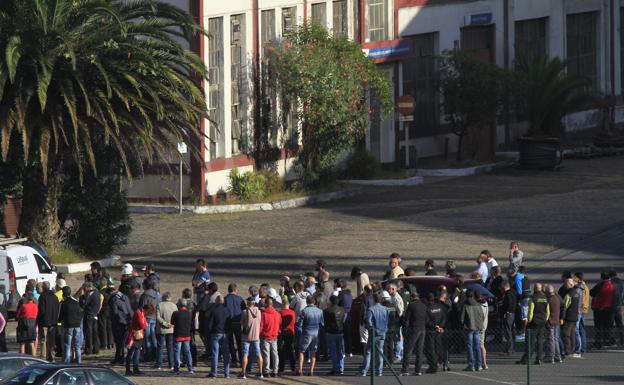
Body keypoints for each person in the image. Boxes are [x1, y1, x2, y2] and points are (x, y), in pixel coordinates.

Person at [517, 283, 549, 365]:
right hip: (542, 322)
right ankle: (539, 359)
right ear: (541, 289)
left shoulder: (532, 298)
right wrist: (545, 320)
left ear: (534, 289)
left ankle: (526, 359)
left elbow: (530, 311)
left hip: (534, 322)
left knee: (530, 341)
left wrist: (529, 321)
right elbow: (548, 311)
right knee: (540, 341)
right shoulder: (545, 298)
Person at [360, 293, 389, 377]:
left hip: (374, 333)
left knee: (368, 351)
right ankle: (379, 371)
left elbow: (368, 322)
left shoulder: (371, 309)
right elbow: (387, 321)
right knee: (380, 351)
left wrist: (371, 329)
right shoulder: (386, 309)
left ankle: (364, 370)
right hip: (382, 332)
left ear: (373, 299)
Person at [296, 295, 324, 376]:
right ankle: (311, 371)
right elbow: (322, 324)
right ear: (314, 301)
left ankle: (300, 369)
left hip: (306, 332)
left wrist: (301, 332)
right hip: (316, 332)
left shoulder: (304, 311)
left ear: (307, 302)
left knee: (302, 351)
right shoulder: (320, 311)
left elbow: (298, 324)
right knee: (313, 352)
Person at [401, 292, 427, 376]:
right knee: (419, 350)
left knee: (408, 349)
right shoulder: (424, 305)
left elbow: (407, 319)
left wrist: (405, 330)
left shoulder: (411, 305)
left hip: (414, 329)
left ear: (412, 297)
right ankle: (418, 370)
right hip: (422, 328)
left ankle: (405, 370)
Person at [207, 296, 231, 378]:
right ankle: (226, 373)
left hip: (215, 333)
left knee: (215, 353)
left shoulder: (214, 310)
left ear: (216, 301)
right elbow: (229, 322)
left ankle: (214, 373)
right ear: (223, 301)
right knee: (226, 354)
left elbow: (210, 324)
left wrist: (210, 331)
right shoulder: (227, 310)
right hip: (224, 333)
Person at [109, 284, 133, 365]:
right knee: (123, 341)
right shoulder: (124, 296)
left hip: (118, 322)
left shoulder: (113, 298)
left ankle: (119, 358)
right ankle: (120, 357)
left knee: (118, 341)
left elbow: (114, 312)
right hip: (126, 321)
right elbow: (129, 308)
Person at [461, 289, 484, 372]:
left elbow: (462, 318)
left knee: (469, 346)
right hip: (477, 327)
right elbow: (482, 316)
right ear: (473, 295)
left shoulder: (465, 304)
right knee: (477, 346)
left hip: (469, 327)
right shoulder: (478, 304)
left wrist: (463, 325)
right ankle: (479, 365)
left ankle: (471, 365)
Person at [58, 286, 83, 364]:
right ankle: (79, 361)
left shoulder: (64, 303)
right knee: (77, 345)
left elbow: (61, 315)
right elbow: (80, 312)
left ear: (63, 294)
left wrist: (59, 321)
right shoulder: (76, 302)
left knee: (67, 345)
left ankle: (66, 362)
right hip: (77, 325)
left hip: (68, 325)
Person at [590, 271, 615, 349]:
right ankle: (608, 340)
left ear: (601, 277)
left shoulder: (600, 284)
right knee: (608, 325)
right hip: (610, 307)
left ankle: (598, 342)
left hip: (599, 307)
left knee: (598, 326)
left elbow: (592, 292)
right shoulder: (613, 284)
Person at [36, 281, 60, 362]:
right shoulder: (55, 296)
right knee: (51, 340)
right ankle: (51, 356)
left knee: (43, 340)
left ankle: (43, 357)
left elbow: (41, 310)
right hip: (54, 321)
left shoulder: (42, 297)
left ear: (43, 287)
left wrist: (38, 320)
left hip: (44, 322)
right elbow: (57, 309)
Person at [240, 297, 263, 379]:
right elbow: (260, 322)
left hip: (246, 337)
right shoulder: (259, 312)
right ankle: (260, 372)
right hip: (256, 336)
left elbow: (242, 323)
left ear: (248, 303)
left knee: (245, 354)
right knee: (258, 354)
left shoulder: (244, 312)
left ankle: (243, 373)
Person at [139, 278, 161, 361]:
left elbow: (141, 308)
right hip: (155, 318)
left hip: (147, 318)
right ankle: (155, 354)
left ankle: (148, 355)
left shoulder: (145, 295)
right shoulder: (158, 294)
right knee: (154, 337)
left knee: (147, 338)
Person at [170, 298, 194, 375]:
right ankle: (190, 369)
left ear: (179, 305)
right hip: (187, 335)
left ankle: (177, 370)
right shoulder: (190, 313)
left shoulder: (176, 313)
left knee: (177, 352)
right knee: (187, 352)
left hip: (178, 335)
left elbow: (172, 323)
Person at [125, 303, 149, 376]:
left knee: (137, 352)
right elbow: (143, 325)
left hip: (138, 336)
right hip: (134, 336)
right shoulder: (139, 314)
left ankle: (136, 368)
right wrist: (145, 324)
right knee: (131, 353)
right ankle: (128, 370)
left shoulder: (142, 314)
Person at [323, 295, 345, 375]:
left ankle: (335, 368)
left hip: (331, 332)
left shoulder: (327, 311)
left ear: (331, 301)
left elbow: (325, 322)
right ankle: (341, 368)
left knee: (333, 351)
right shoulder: (342, 309)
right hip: (340, 332)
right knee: (340, 351)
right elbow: (343, 320)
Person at [260, 297, 281, 377]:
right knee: (275, 354)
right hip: (274, 336)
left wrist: (260, 334)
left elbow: (261, 327)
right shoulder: (277, 314)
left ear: (266, 304)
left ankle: (266, 371)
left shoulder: (264, 314)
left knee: (266, 354)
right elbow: (279, 324)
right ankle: (275, 370)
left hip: (266, 336)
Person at [224, 283, 244, 367]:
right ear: (236, 290)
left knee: (230, 342)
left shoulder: (225, 299)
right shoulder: (240, 299)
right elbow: (244, 311)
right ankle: (242, 358)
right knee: (240, 342)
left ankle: (234, 360)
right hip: (238, 323)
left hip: (228, 323)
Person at [156, 292, 177, 370]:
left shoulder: (159, 305)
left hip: (161, 329)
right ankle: (171, 365)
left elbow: (158, 317)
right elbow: (176, 317)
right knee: (170, 347)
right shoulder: (174, 306)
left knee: (160, 347)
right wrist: (171, 324)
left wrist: (165, 324)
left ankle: (159, 365)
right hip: (171, 329)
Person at [80, 282, 101, 355]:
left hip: (89, 314)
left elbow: (84, 304)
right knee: (95, 332)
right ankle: (96, 348)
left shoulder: (90, 294)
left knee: (88, 333)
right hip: (95, 314)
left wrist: (82, 296)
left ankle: (88, 349)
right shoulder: (97, 293)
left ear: (87, 287)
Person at [561, 278, 580, 357]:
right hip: (575, 317)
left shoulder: (568, 295)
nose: (565, 285)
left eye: (566, 284)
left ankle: (568, 351)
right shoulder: (576, 293)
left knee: (566, 334)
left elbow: (564, 307)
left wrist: (562, 318)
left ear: (570, 285)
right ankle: (572, 350)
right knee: (572, 335)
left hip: (568, 318)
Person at [544, 284, 563, 363]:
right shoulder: (557, 297)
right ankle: (558, 356)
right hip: (556, 321)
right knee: (555, 339)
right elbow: (563, 306)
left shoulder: (548, 300)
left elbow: (546, 312)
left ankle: (551, 357)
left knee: (551, 340)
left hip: (550, 322)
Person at [573, 272, 589, 357]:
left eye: (574, 277)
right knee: (581, 329)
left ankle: (580, 348)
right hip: (584, 310)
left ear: (578, 279)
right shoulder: (584, 286)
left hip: (581, 310)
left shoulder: (580, 288)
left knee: (578, 329)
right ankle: (583, 347)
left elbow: (580, 300)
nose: (573, 279)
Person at [278, 300, 296, 373]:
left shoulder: (281, 313)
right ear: (288, 305)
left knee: (282, 351)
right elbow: (294, 322)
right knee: (291, 350)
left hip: (283, 333)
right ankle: (293, 367)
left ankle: (281, 367)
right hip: (291, 333)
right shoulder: (293, 312)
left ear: (283, 305)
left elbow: (279, 323)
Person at [337, 279, 353, 357]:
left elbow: (338, 303)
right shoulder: (349, 294)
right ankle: (349, 351)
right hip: (349, 314)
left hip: (342, 314)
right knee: (348, 334)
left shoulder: (340, 294)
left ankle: (343, 351)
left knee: (341, 334)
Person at [500, 281, 516, 355]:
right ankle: (512, 348)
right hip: (513, 314)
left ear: (504, 288)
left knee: (508, 332)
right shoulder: (513, 292)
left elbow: (509, 303)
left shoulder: (507, 294)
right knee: (511, 331)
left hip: (509, 315)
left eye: (501, 289)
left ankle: (509, 350)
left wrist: (507, 312)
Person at [98, 278, 114, 351]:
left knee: (103, 327)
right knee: (110, 327)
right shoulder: (110, 291)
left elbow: (100, 303)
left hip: (103, 311)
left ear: (101, 284)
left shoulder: (100, 292)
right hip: (110, 310)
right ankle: (111, 343)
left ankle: (104, 344)